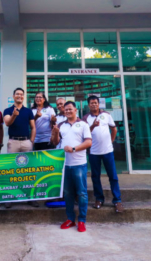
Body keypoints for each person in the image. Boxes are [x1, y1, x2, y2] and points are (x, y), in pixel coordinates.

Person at [51, 101, 92, 232]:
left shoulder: (83, 124)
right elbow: (55, 142)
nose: (67, 111)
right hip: (65, 165)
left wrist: (74, 148)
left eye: (70, 109)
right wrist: (55, 132)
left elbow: (88, 142)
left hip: (79, 164)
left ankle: (81, 220)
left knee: (82, 193)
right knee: (67, 193)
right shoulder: (61, 125)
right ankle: (70, 219)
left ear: (75, 110)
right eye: (66, 110)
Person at [84, 95, 123, 213]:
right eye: (91, 103)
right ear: (88, 105)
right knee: (95, 177)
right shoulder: (86, 118)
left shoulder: (106, 115)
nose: (94, 104)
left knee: (113, 177)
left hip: (107, 151)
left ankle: (117, 200)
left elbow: (114, 129)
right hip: (94, 152)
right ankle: (99, 199)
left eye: (95, 102)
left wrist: (110, 142)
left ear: (99, 103)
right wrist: (93, 126)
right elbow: (85, 133)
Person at [3, 87, 37, 208]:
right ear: (13, 96)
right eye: (17, 94)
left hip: (26, 142)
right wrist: (14, 115)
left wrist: (31, 141)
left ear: (23, 97)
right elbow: (7, 123)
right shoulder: (7, 110)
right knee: (12, 169)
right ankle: (10, 197)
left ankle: (30, 197)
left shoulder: (28, 111)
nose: (19, 96)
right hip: (13, 142)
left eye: (21, 94)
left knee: (28, 170)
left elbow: (33, 127)